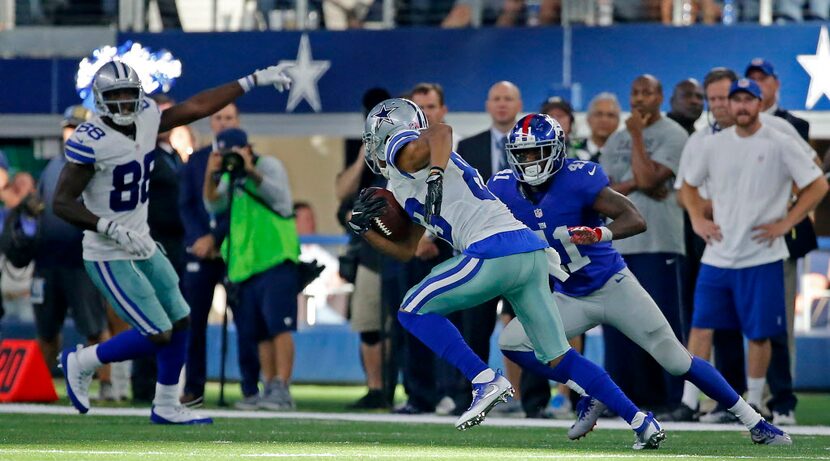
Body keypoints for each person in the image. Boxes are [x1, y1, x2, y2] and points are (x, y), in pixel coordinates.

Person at [353, 97, 665, 450]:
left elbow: (441, 131)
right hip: (527, 253)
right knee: (559, 356)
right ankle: (641, 422)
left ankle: (484, 379)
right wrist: (367, 232)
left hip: (493, 249)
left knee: (412, 309)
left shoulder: (408, 154)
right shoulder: (400, 185)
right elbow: (407, 250)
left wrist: (437, 174)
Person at [490, 113, 792, 446]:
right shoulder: (503, 188)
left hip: (613, 287)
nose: (530, 161)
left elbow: (635, 217)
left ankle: (757, 422)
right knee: (513, 340)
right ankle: (592, 390)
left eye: (537, 152)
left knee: (678, 361)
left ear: (557, 149)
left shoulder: (578, 178)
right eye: (524, 153)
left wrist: (599, 232)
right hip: (569, 295)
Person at [55, 59, 292, 424]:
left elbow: (197, 106)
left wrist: (252, 79)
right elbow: (61, 202)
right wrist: (108, 227)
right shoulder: (91, 140)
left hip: (143, 243)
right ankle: (84, 360)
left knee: (181, 319)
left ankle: (166, 404)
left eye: (128, 94)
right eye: (114, 95)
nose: (122, 102)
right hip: (108, 251)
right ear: (100, 100)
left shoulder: (148, 116)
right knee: (158, 332)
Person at [681, 79, 828, 431]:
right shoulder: (713, 145)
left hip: (762, 254)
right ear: (729, 106)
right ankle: (688, 402)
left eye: (749, 99)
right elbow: (687, 184)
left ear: (760, 103)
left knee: (760, 334)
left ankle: (754, 402)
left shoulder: (779, 142)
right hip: (718, 255)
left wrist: (787, 222)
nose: (742, 106)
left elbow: (818, 184)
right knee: (701, 328)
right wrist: (697, 219)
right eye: (737, 100)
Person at [599, 74, 689, 410]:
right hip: (619, 243)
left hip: (659, 242)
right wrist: (641, 183)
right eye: (635, 92)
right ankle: (624, 398)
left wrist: (638, 135)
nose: (639, 99)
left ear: (660, 96)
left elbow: (651, 178)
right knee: (620, 324)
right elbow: (603, 192)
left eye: (647, 92)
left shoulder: (674, 134)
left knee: (662, 323)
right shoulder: (614, 140)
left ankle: (671, 399)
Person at [204, 128, 301, 411]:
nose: (230, 158)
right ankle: (267, 385)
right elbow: (213, 203)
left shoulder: (267, 166)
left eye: (234, 152)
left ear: (248, 148)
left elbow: (280, 198)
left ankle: (282, 387)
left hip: (275, 257)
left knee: (279, 326)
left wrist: (250, 171)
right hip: (245, 264)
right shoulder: (228, 177)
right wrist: (211, 174)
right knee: (258, 331)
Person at [746, 57, 814, 425]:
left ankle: (780, 398)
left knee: (778, 322)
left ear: (775, 84)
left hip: (779, 238)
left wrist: (784, 218)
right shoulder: (729, 127)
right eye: (751, 79)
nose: (757, 84)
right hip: (738, 239)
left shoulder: (795, 125)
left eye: (762, 78)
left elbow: (808, 177)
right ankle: (744, 398)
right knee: (735, 321)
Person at [178, 102, 240, 408]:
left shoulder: (247, 160)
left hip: (235, 252)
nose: (224, 122)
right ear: (211, 123)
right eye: (218, 118)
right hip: (199, 254)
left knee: (246, 321)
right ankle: (194, 388)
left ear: (237, 121)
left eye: (229, 117)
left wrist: (217, 238)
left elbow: (241, 208)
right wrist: (199, 239)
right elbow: (186, 204)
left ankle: (251, 389)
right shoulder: (196, 160)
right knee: (194, 323)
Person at [583, 92, 622, 163]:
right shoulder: (568, 152)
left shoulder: (628, 154)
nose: (604, 120)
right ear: (588, 119)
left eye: (610, 115)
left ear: (618, 121)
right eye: (598, 114)